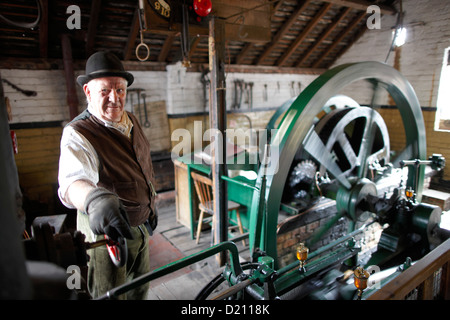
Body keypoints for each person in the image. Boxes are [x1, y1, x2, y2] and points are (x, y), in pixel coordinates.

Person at [58, 51, 157, 299]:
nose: (115, 98)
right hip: (107, 237)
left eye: (120, 90)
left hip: (141, 226)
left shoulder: (131, 120)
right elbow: (72, 182)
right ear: (88, 92)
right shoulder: (78, 133)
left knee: (140, 290)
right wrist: (94, 199)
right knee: (111, 295)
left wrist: (149, 208)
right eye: (105, 91)